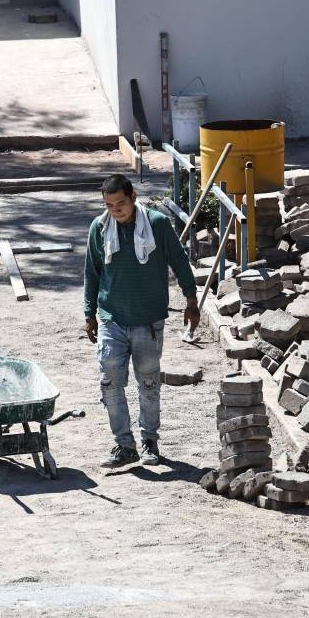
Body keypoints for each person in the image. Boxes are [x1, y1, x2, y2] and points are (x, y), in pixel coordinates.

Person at [84, 174, 199, 468]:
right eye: (109, 205)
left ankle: (149, 440)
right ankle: (124, 444)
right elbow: (92, 273)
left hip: (148, 319)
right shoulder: (99, 228)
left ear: (133, 197)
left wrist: (191, 300)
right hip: (112, 317)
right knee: (109, 379)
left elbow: (179, 261)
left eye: (120, 204)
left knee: (148, 383)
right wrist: (89, 314)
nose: (115, 211)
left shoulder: (157, 225)